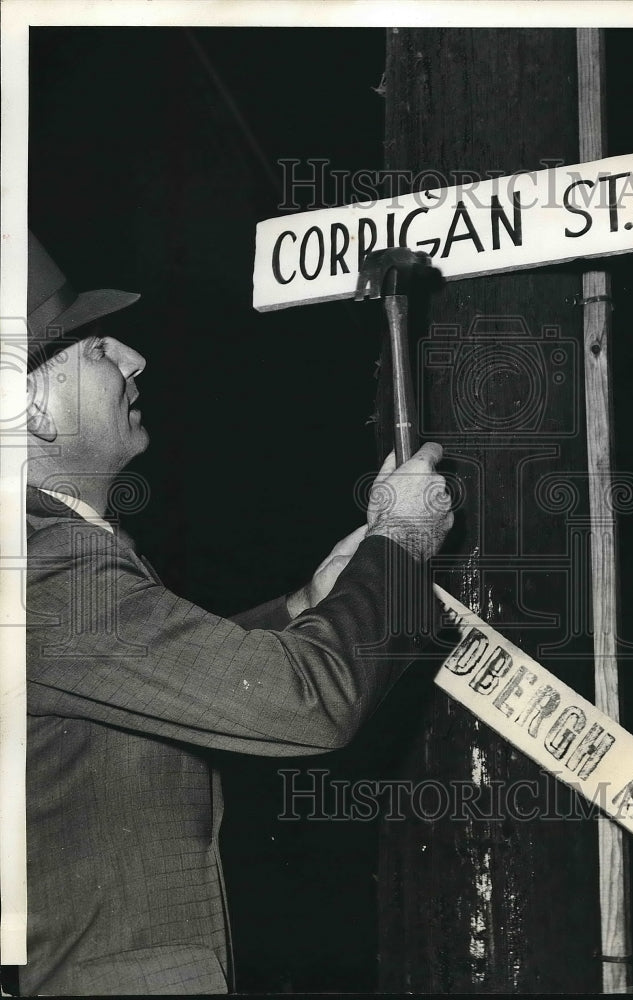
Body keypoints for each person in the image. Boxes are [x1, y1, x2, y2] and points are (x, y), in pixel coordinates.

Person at [17, 232, 453, 995]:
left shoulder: (51, 554)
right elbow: (307, 705)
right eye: (93, 349)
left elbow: (145, 682)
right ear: (27, 407)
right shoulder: (47, 568)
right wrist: (399, 544)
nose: (132, 358)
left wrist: (309, 603)